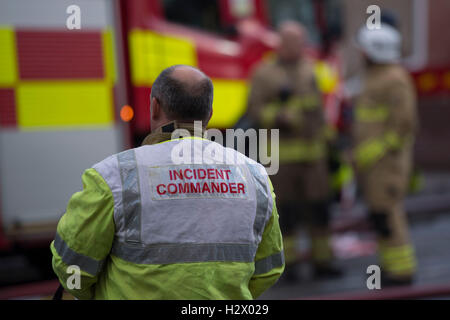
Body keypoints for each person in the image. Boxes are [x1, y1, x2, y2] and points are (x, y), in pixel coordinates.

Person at [50, 65, 284, 299]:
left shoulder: (113, 176)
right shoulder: (255, 176)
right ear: (209, 113)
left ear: (154, 107)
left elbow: (72, 266)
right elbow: (268, 269)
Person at [246, 21, 341, 280]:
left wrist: (329, 142)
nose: (297, 48)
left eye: (300, 42)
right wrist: (279, 115)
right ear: (280, 44)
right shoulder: (263, 73)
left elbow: (319, 110)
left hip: (314, 158)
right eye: (291, 43)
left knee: (320, 210)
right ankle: (290, 267)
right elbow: (254, 110)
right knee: (285, 215)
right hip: (282, 158)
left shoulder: (311, 69)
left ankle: (324, 262)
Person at [353, 23, 418, 285]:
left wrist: (372, 151)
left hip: (387, 164)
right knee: (380, 215)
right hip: (374, 164)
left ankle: (402, 272)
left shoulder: (394, 78)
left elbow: (403, 125)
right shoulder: (375, 76)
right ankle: (390, 267)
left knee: (388, 214)